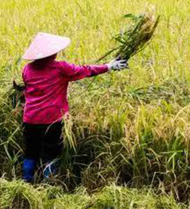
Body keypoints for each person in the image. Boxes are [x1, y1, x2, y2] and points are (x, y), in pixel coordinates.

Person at [18, 32, 128, 182]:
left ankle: (26, 181)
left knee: (31, 151)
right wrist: (109, 66)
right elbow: (86, 70)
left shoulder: (27, 69)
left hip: (30, 119)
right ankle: (49, 184)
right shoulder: (60, 68)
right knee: (51, 152)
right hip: (51, 120)